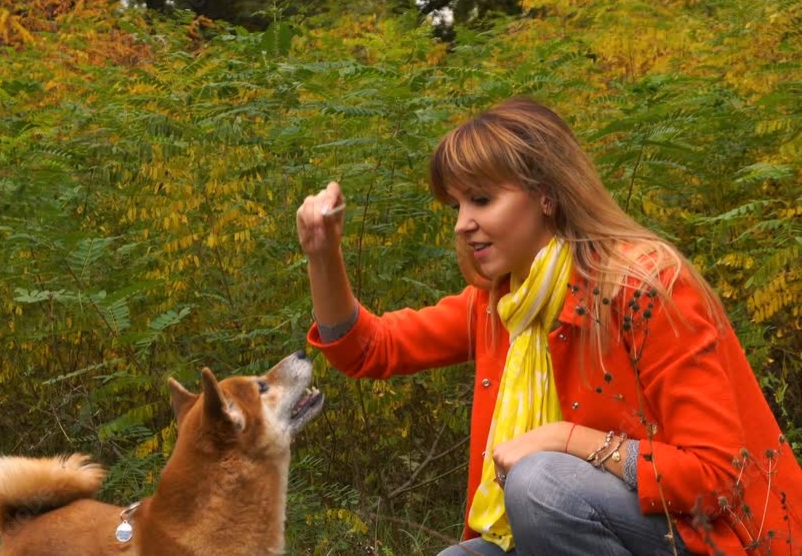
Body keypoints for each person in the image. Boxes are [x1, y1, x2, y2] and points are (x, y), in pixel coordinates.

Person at [295, 97, 801, 556]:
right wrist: (323, 254)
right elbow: (370, 349)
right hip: (593, 527)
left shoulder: (645, 285)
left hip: (718, 538)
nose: (461, 223)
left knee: (542, 484)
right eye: (456, 205)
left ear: (546, 195)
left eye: (481, 200)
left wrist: (566, 438)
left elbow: (716, 478)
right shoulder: (504, 303)